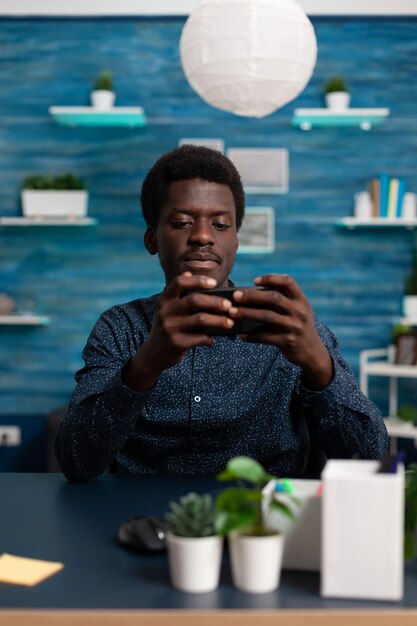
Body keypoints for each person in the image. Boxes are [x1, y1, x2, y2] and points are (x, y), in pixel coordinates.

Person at [56, 145, 388, 481]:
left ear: (236, 240)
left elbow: (371, 459)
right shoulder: (120, 328)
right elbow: (76, 462)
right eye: (182, 222)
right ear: (152, 238)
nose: (202, 236)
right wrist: (145, 364)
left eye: (220, 224)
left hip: (263, 524)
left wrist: (319, 363)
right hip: (143, 523)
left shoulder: (290, 326)